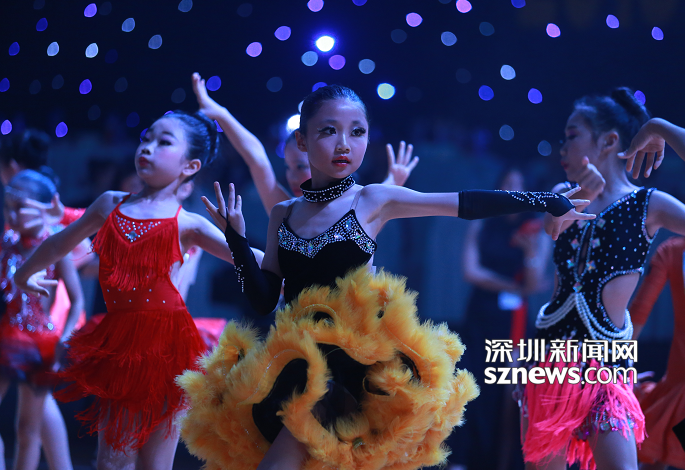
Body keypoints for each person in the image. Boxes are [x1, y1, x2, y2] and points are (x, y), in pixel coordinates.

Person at [176, 84, 593, 470]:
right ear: (302, 141)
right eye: (329, 131)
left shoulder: (372, 199)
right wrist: (236, 240)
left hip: (353, 372)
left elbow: (462, 203)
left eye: (357, 132)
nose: (345, 143)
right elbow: (265, 299)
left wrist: (544, 200)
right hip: (296, 367)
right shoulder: (283, 213)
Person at [14, 110, 263, 470]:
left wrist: (259, 245)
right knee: (112, 462)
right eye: (146, 138)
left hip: (169, 346)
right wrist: (25, 273)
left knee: (154, 465)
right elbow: (59, 242)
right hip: (123, 344)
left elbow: (253, 259)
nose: (147, 147)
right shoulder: (110, 204)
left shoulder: (188, 224)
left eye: (164, 142)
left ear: (190, 166)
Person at [518, 88, 685, 470]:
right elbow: (552, 227)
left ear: (608, 141)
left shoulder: (650, 204)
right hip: (550, 361)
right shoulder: (562, 194)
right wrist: (578, 197)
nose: (562, 148)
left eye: (572, 136)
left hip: (608, 370)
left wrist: (661, 127)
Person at [190, 72, 419, 214]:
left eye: (300, 166)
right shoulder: (285, 212)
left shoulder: (359, 205)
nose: (292, 177)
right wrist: (220, 114)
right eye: (288, 168)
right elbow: (257, 158)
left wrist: (391, 182)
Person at [449, 167, 551, 470]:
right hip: (481, 313)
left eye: (518, 185)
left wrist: (529, 255)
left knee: (508, 391)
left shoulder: (535, 228)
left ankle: (501, 463)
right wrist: (511, 286)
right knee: (469, 382)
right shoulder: (482, 222)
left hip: (513, 320)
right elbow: (471, 271)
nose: (511, 190)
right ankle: (462, 459)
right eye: (506, 184)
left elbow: (533, 283)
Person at [0, 170, 83, 470]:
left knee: (28, 429)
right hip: (7, 337)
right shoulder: (7, 242)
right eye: (8, 207)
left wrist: (65, 340)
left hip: (40, 344)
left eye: (19, 207)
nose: (11, 215)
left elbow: (77, 300)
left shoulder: (55, 246)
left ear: (43, 208)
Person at [628, 172, 685, 470]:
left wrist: (616, 367)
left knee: (656, 453)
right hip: (684, 379)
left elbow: (639, 312)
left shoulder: (671, 252)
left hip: (682, 377)